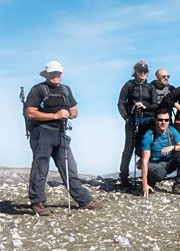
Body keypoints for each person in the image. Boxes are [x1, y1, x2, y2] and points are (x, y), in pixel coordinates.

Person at [25, 60, 102, 215]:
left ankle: (83, 200)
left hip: (61, 133)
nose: (55, 76)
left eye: (58, 73)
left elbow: (74, 110)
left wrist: (71, 114)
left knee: (70, 168)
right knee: (41, 168)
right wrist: (55, 115)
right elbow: (30, 112)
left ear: (62, 74)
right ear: (47, 74)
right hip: (42, 132)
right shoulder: (38, 89)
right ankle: (38, 203)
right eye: (52, 73)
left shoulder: (66, 90)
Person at [117, 60, 157, 186]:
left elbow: (155, 105)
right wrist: (126, 118)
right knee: (128, 149)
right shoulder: (129, 85)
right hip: (132, 120)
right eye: (140, 71)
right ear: (136, 72)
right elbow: (121, 103)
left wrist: (144, 106)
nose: (143, 73)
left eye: (145, 71)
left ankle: (147, 177)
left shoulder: (150, 87)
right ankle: (123, 176)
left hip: (147, 121)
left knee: (144, 148)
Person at [140, 109, 180, 197]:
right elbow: (144, 161)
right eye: (160, 120)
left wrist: (173, 147)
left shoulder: (171, 131)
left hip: (168, 163)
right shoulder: (149, 136)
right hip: (153, 164)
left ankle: (179, 184)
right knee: (160, 173)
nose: (163, 122)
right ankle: (149, 182)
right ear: (156, 121)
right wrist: (144, 185)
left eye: (166, 120)